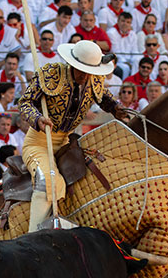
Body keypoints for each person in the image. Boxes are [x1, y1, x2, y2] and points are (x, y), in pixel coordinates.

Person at [18, 40, 126, 231]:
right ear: (71, 64)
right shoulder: (52, 73)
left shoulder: (94, 79)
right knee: (47, 183)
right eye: (80, 70)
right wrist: (38, 119)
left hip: (67, 142)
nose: (84, 76)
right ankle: (32, 236)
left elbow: (106, 99)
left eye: (89, 71)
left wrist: (116, 108)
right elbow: (25, 103)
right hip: (39, 142)